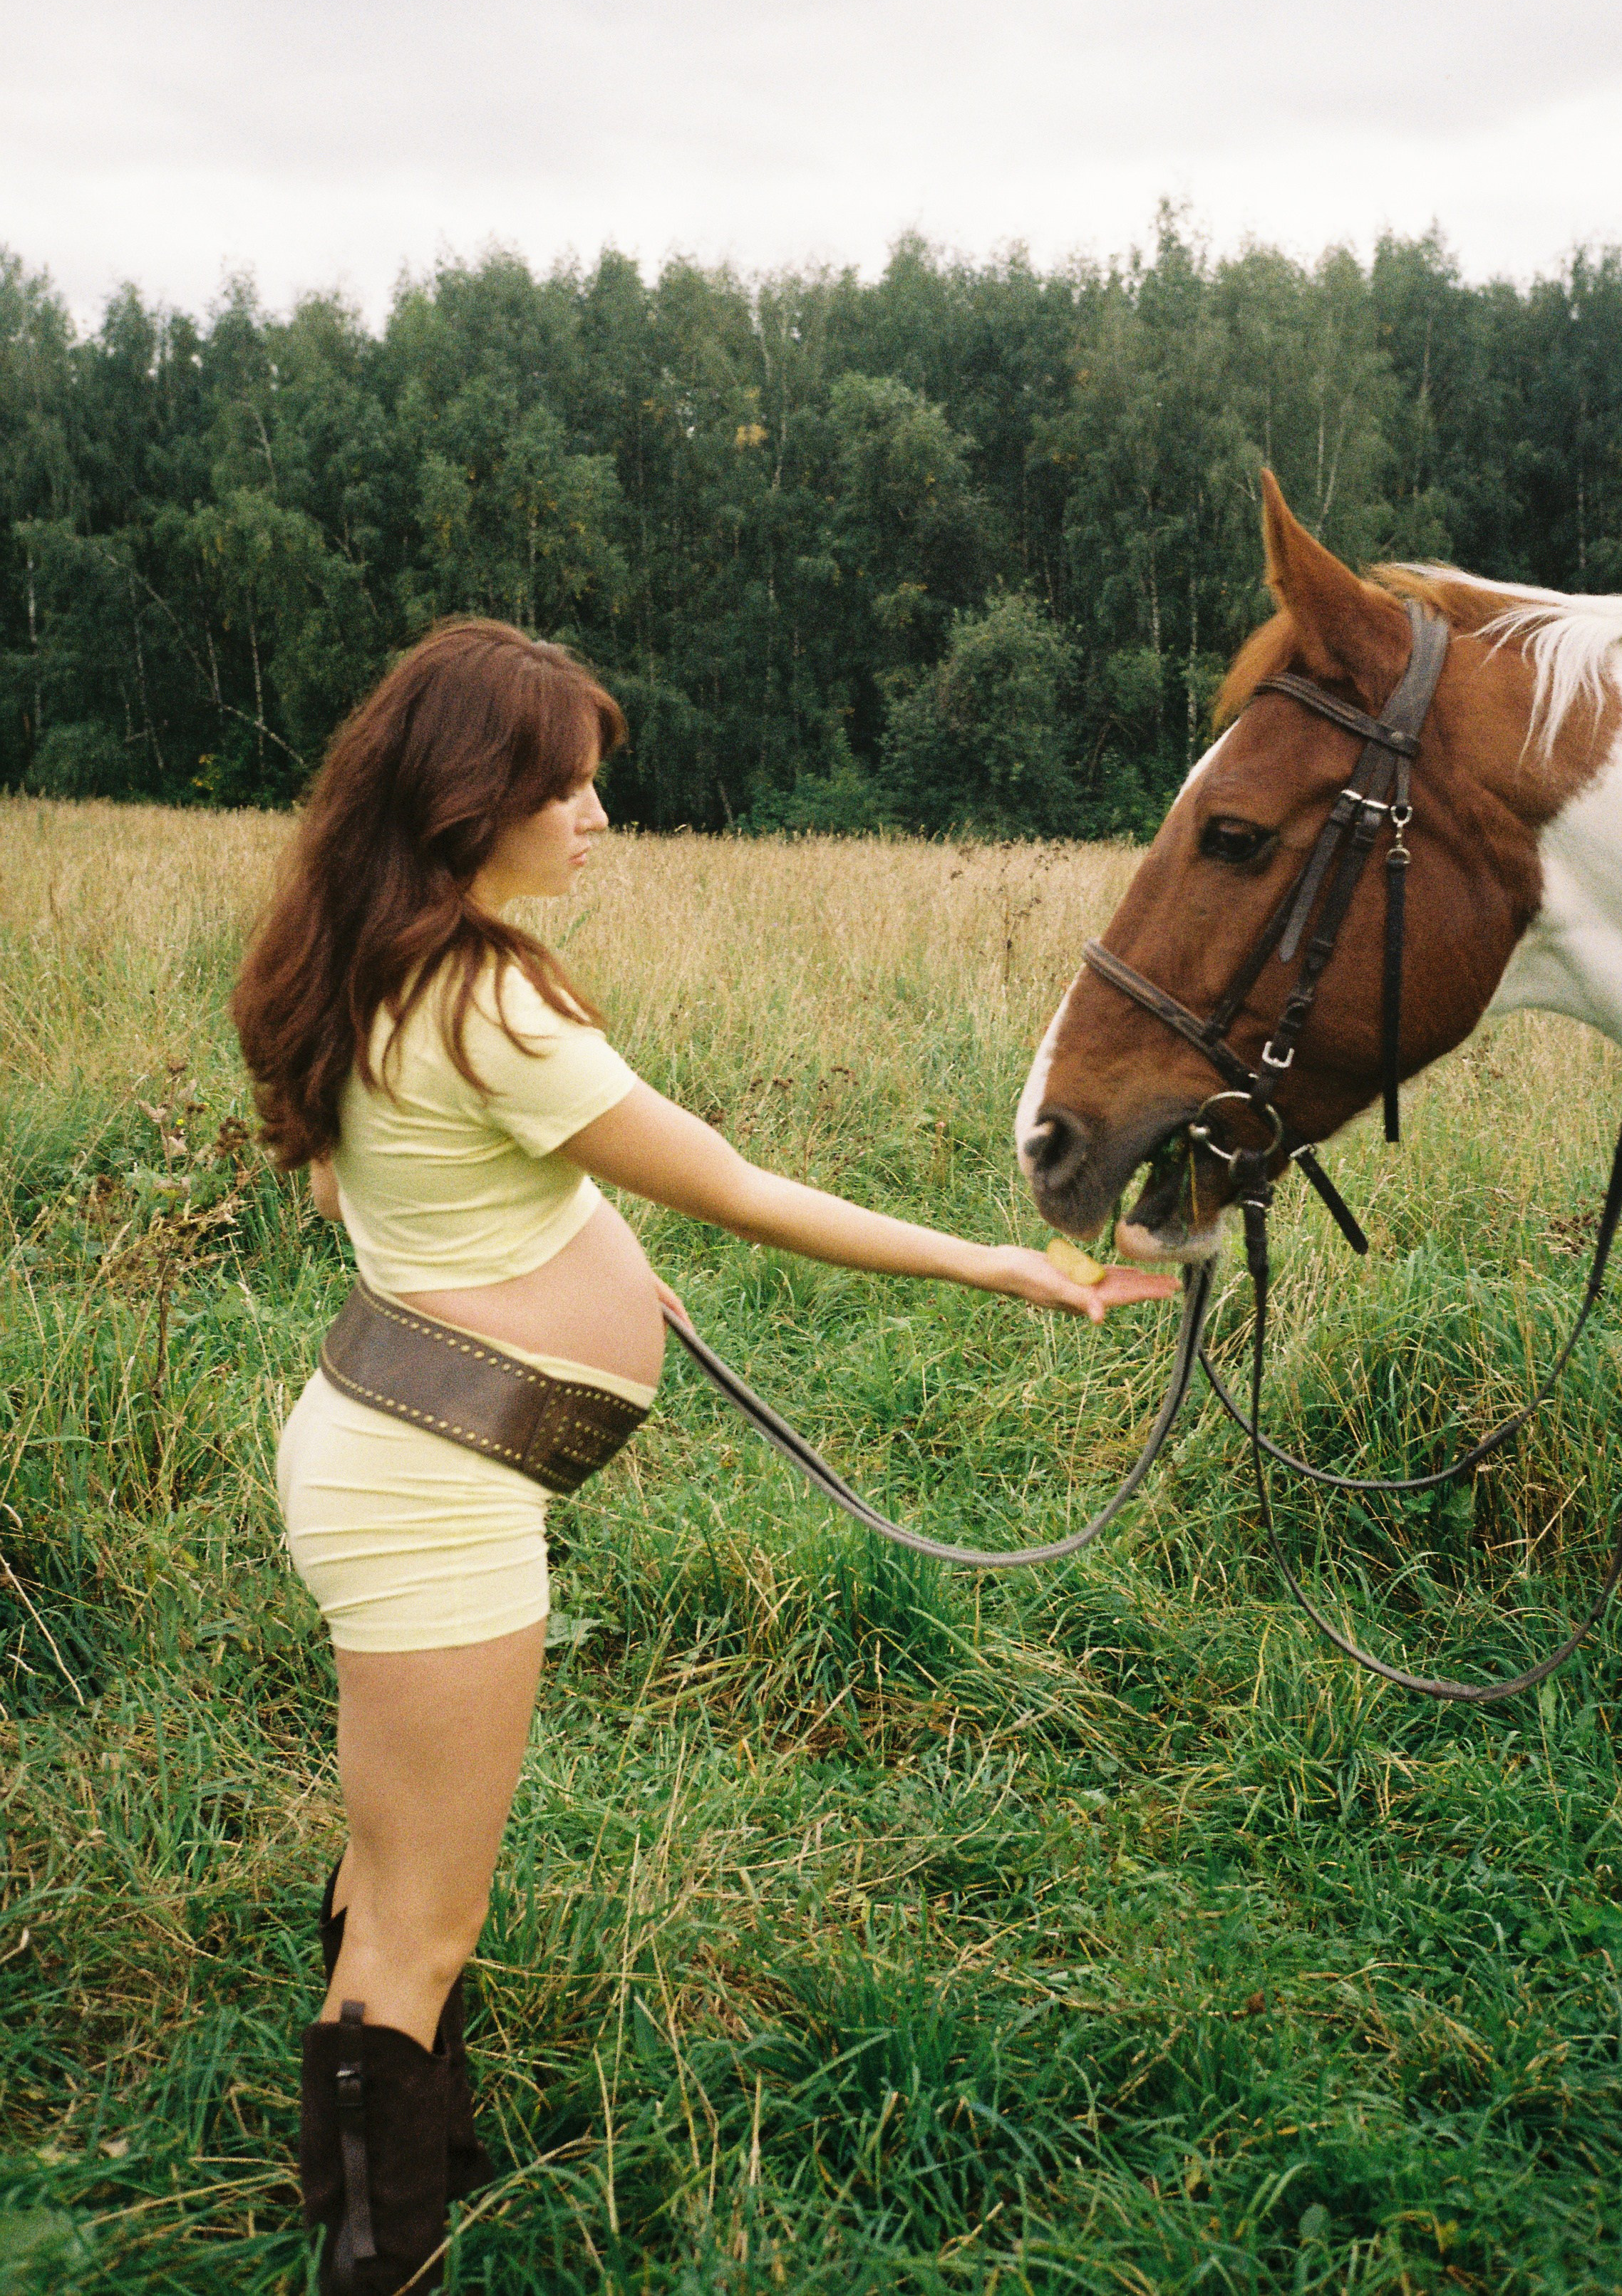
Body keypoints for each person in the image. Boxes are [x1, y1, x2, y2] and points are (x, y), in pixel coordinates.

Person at [231, 618, 1172, 2294]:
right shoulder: (491, 992)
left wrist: (570, 1253)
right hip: (431, 1496)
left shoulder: (362, 952)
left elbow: (365, 1190)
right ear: (469, 800)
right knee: (421, 1918)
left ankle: (396, 2159)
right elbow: (733, 1185)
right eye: (567, 789)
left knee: (388, 1867)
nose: (596, 817)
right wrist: (995, 1264)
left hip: (376, 1448)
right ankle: (376, 2253)